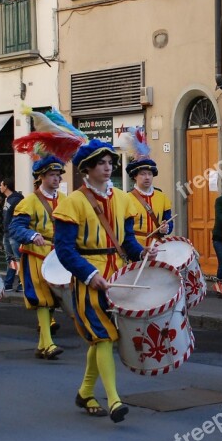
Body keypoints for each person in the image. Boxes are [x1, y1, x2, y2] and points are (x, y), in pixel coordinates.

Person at [53, 140, 157, 422]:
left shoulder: (123, 199)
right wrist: (88, 274)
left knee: (105, 340)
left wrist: (141, 252)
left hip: (118, 275)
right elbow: (64, 249)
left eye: (110, 161)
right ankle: (114, 399)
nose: (108, 166)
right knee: (101, 335)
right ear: (86, 169)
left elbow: (128, 241)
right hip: (90, 277)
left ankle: (86, 391)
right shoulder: (72, 202)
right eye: (101, 162)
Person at [8, 157, 68, 360]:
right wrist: (32, 235)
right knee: (43, 299)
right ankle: (48, 343)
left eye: (58, 175)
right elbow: (15, 228)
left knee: (54, 299)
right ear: (41, 177)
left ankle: (43, 345)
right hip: (36, 254)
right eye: (52, 175)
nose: (56, 179)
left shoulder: (65, 200)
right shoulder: (29, 202)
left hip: (59, 254)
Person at [123, 135, 173, 246]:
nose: (147, 177)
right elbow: (124, 230)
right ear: (135, 176)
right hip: (136, 248)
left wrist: (166, 228)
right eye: (143, 174)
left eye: (150, 174)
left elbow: (169, 220)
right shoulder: (126, 198)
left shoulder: (162, 197)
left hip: (157, 247)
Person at [0, 177, 24, 292]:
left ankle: (22, 283)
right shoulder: (7, 199)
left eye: (1, 185)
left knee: (18, 259)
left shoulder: (16, 200)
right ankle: (8, 283)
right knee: (11, 259)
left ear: (6, 186)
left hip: (14, 234)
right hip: (7, 233)